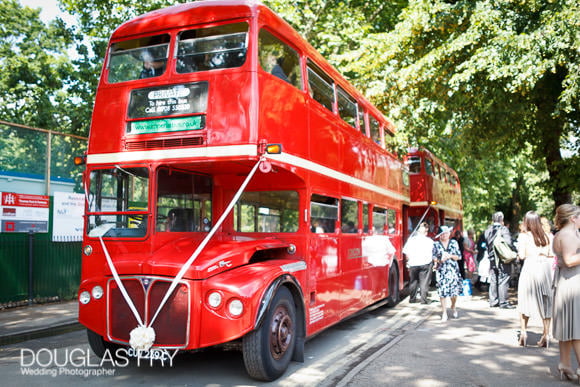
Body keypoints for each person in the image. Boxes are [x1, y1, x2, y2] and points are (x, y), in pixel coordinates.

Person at [515, 211, 554, 347]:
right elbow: (551, 254)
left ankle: (524, 332)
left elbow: (521, 255)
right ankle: (546, 334)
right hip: (544, 269)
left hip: (529, 268)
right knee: (546, 302)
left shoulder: (523, 236)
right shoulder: (548, 236)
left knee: (524, 300)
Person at [551, 204, 580, 381]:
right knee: (577, 327)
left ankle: (565, 364)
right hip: (572, 284)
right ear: (573, 218)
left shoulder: (563, 234)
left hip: (567, 282)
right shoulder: (568, 235)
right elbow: (569, 260)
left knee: (569, 325)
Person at [484, 211, 516, 309]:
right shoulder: (503, 229)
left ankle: (493, 301)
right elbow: (509, 243)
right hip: (502, 258)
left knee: (493, 279)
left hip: (492, 258)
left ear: (493, 219)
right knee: (503, 279)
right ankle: (503, 302)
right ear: (502, 219)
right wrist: (515, 250)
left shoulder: (488, 230)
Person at [433, 225, 463, 321]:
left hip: (453, 270)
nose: (445, 235)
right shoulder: (436, 245)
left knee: (454, 293)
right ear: (440, 235)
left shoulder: (454, 243)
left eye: (446, 233)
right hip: (442, 271)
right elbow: (434, 257)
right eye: (443, 234)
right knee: (442, 293)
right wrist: (439, 260)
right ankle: (444, 313)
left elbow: (459, 257)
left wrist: (449, 256)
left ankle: (453, 306)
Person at [403, 222, 435, 304]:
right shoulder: (429, 241)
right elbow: (433, 252)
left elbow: (406, 253)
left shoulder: (411, 240)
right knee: (424, 282)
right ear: (426, 232)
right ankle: (423, 300)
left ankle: (412, 299)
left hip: (413, 263)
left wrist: (409, 261)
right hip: (425, 263)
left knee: (413, 282)